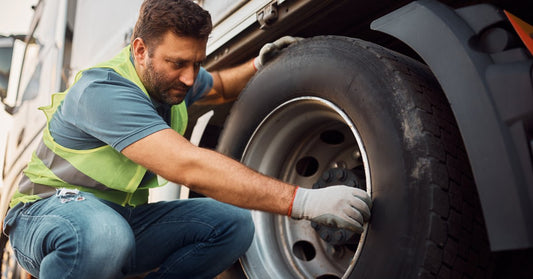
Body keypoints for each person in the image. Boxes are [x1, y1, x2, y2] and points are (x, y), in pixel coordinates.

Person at [3, 0, 372, 278]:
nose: (190, 77)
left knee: (233, 225)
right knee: (104, 237)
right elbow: (188, 166)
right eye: (178, 64)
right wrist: (303, 200)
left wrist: (259, 64)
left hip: (117, 217)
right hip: (45, 213)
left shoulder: (171, 82)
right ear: (140, 51)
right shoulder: (103, 90)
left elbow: (221, 85)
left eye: (196, 62)